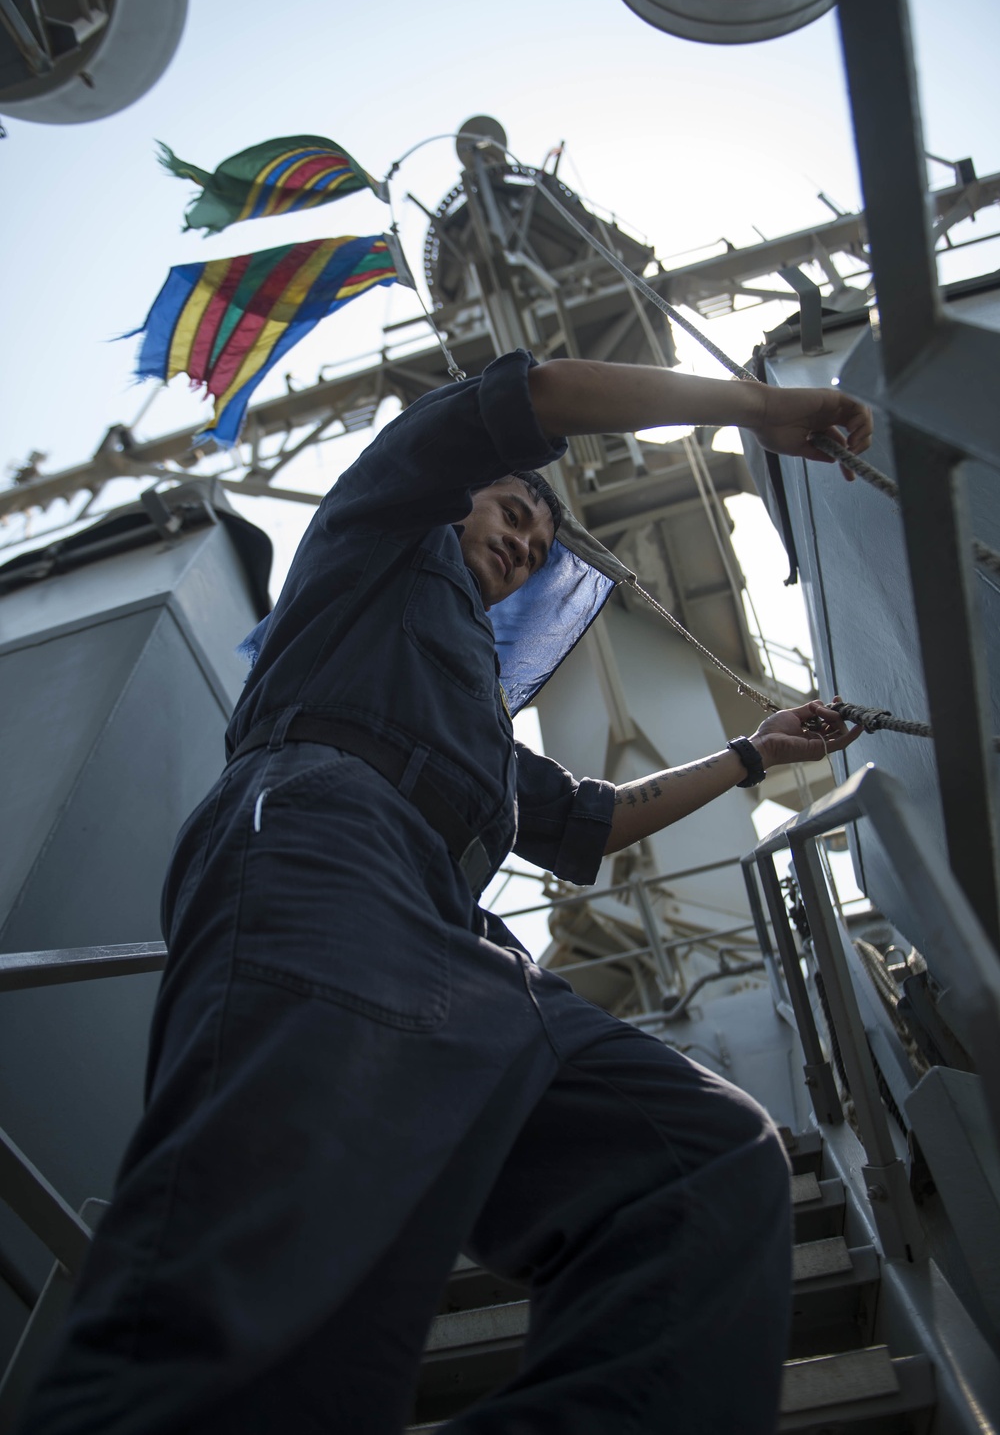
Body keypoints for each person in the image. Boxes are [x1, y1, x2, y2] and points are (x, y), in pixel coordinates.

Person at [19, 350, 869, 1435]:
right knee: (274, 1254)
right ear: (455, 489)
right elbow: (539, 391)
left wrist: (752, 755)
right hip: (325, 840)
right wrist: (756, 406)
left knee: (698, 1164)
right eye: (514, 509)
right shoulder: (375, 531)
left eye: (542, 543)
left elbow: (592, 818)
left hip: (454, 930)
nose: (523, 543)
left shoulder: (456, 698)